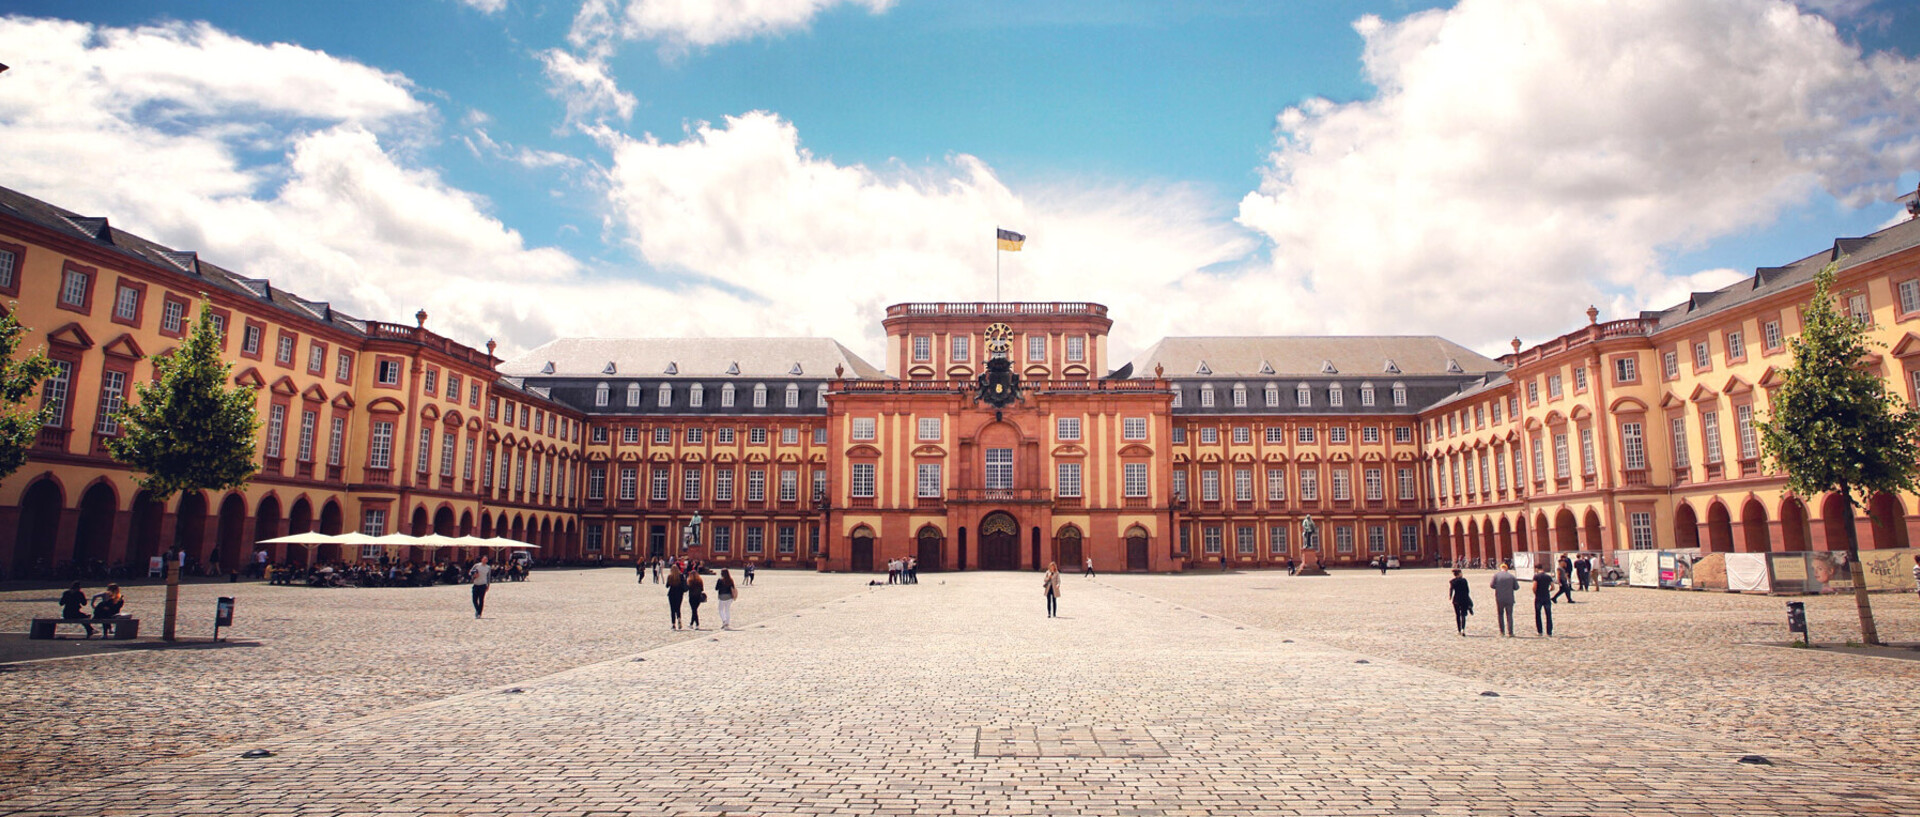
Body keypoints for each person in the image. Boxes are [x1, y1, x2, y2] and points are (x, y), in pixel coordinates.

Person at [1489, 563, 1519, 637]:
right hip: (1509, 598)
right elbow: (1516, 587)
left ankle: (1502, 632)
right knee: (1509, 615)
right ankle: (1510, 632)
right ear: (1507, 569)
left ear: (1500, 568)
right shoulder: (1511, 576)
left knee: (1500, 614)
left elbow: (1492, 585)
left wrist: (1498, 587)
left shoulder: (1496, 576)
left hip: (1499, 598)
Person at [1532, 563, 1555, 637]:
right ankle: (1549, 632)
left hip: (1539, 597)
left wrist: (1536, 593)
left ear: (1536, 569)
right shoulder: (1548, 576)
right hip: (1546, 596)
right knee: (1548, 614)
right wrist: (1548, 591)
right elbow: (1553, 587)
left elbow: (1534, 587)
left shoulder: (1536, 576)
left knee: (1538, 614)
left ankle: (1540, 631)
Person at [1448, 569, 1473, 636]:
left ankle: (1459, 630)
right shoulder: (1464, 581)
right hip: (1464, 599)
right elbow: (1467, 591)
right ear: (1459, 574)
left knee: (1458, 615)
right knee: (1463, 615)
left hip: (1456, 600)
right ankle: (1463, 629)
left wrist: (1450, 596)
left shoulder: (1452, 581)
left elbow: (1451, 590)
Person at [666, 565, 687, 630]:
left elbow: (667, 585)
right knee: (678, 608)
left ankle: (673, 624)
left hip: (671, 594)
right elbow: (684, 585)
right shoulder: (681, 576)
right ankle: (679, 618)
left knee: (672, 609)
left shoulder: (670, 576)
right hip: (679, 594)